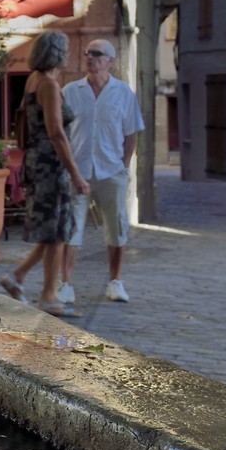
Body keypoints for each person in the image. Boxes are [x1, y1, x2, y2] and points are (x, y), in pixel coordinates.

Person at [0, 30, 90, 317]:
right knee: (57, 230)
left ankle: (20, 278)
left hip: (37, 161)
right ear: (57, 53)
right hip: (50, 164)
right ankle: (47, 296)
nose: (70, 54)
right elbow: (56, 132)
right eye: (66, 49)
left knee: (54, 231)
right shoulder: (48, 84)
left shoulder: (32, 80)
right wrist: (76, 174)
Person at [60, 38, 146, 305]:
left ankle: (115, 281)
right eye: (87, 53)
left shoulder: (123, 93)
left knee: (116, 226)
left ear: (110, 60)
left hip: (111, 170)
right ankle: (66, 284)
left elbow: (131, 133)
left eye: (97, 54)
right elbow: (59, 131)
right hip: (78, 170)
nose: (90, 58)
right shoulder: (70, 91)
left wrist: (123, 164)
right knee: (72, 226)